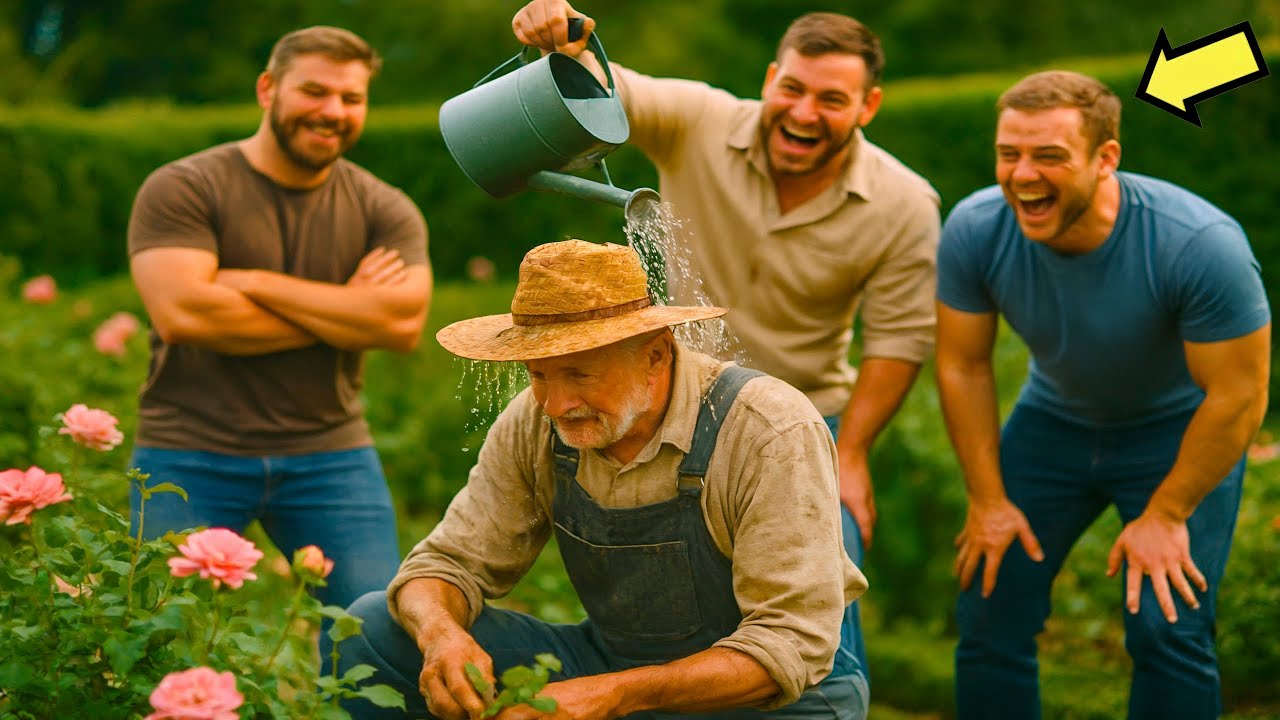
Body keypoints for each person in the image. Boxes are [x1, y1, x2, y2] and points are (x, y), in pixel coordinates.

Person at [512, 0, 942, 682]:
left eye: (832, 99)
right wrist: (565, 42)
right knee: (675, 603)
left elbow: (897, 342)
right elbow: (609, 86)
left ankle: (830, 698)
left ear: (869, 105)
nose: (803, 112)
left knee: (822, 599)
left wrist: (852, 455)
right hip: (678, 407)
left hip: (805, 421)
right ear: (770, 78)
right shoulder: (699, 119)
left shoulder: (902, 202)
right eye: (793, 89)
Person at [337, 239, 869, 719]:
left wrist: (615, 694)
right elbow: (445, 565)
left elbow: (791, 644)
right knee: (376, 629)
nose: (555, 404)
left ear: (655, 354)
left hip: (776, 703)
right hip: (614, 669)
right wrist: (442, 636)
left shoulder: (765, 429)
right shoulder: (536, 421)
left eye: (579, 374)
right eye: (538, 374)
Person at [935, 70, 1270, 719]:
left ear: (1106, 158)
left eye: (1050, 156)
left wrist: (1168, 514)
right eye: (1009, 154)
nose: (1022, 175)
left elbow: (1238, 395)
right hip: (1052, 424)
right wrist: (988, 498)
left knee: (1168, 628)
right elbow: (964, 366)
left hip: (1178, 433)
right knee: (988, 606)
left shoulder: (1198, 245)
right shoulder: (975, 228)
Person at [126, 26, 432, 610]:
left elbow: (401, 326)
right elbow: (185, 315)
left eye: (351, 98)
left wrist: (252, 282)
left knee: (376, 626)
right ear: (268, 89)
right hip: (188, 448)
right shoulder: (184, 187)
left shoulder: (383, 207)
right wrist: (347, 307)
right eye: (314, 91)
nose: (333, 111)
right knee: (159, 629)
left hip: (331, 453)